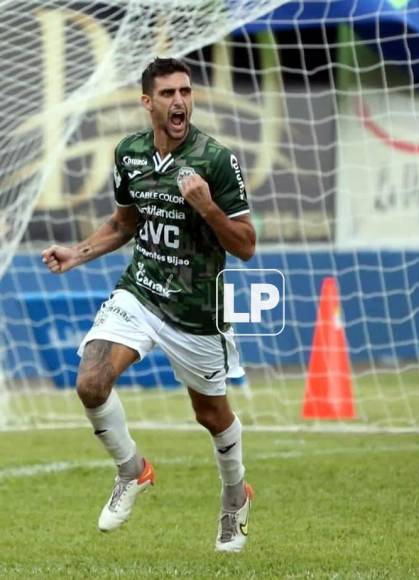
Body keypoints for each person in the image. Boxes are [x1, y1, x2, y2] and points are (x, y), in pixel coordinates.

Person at [41, 57, 256, 552]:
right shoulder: (129, 153)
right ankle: (132, 470)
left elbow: (245, 245)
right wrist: (77, 253)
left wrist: (206, 206)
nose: (179, 101)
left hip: (197, 307)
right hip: (141, 289)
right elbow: (124, 223)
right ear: (147, 102)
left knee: (211, 414)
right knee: (91, 382)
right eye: (167, 94)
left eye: (185, 91)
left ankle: (233, 497)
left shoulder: (216, 160)